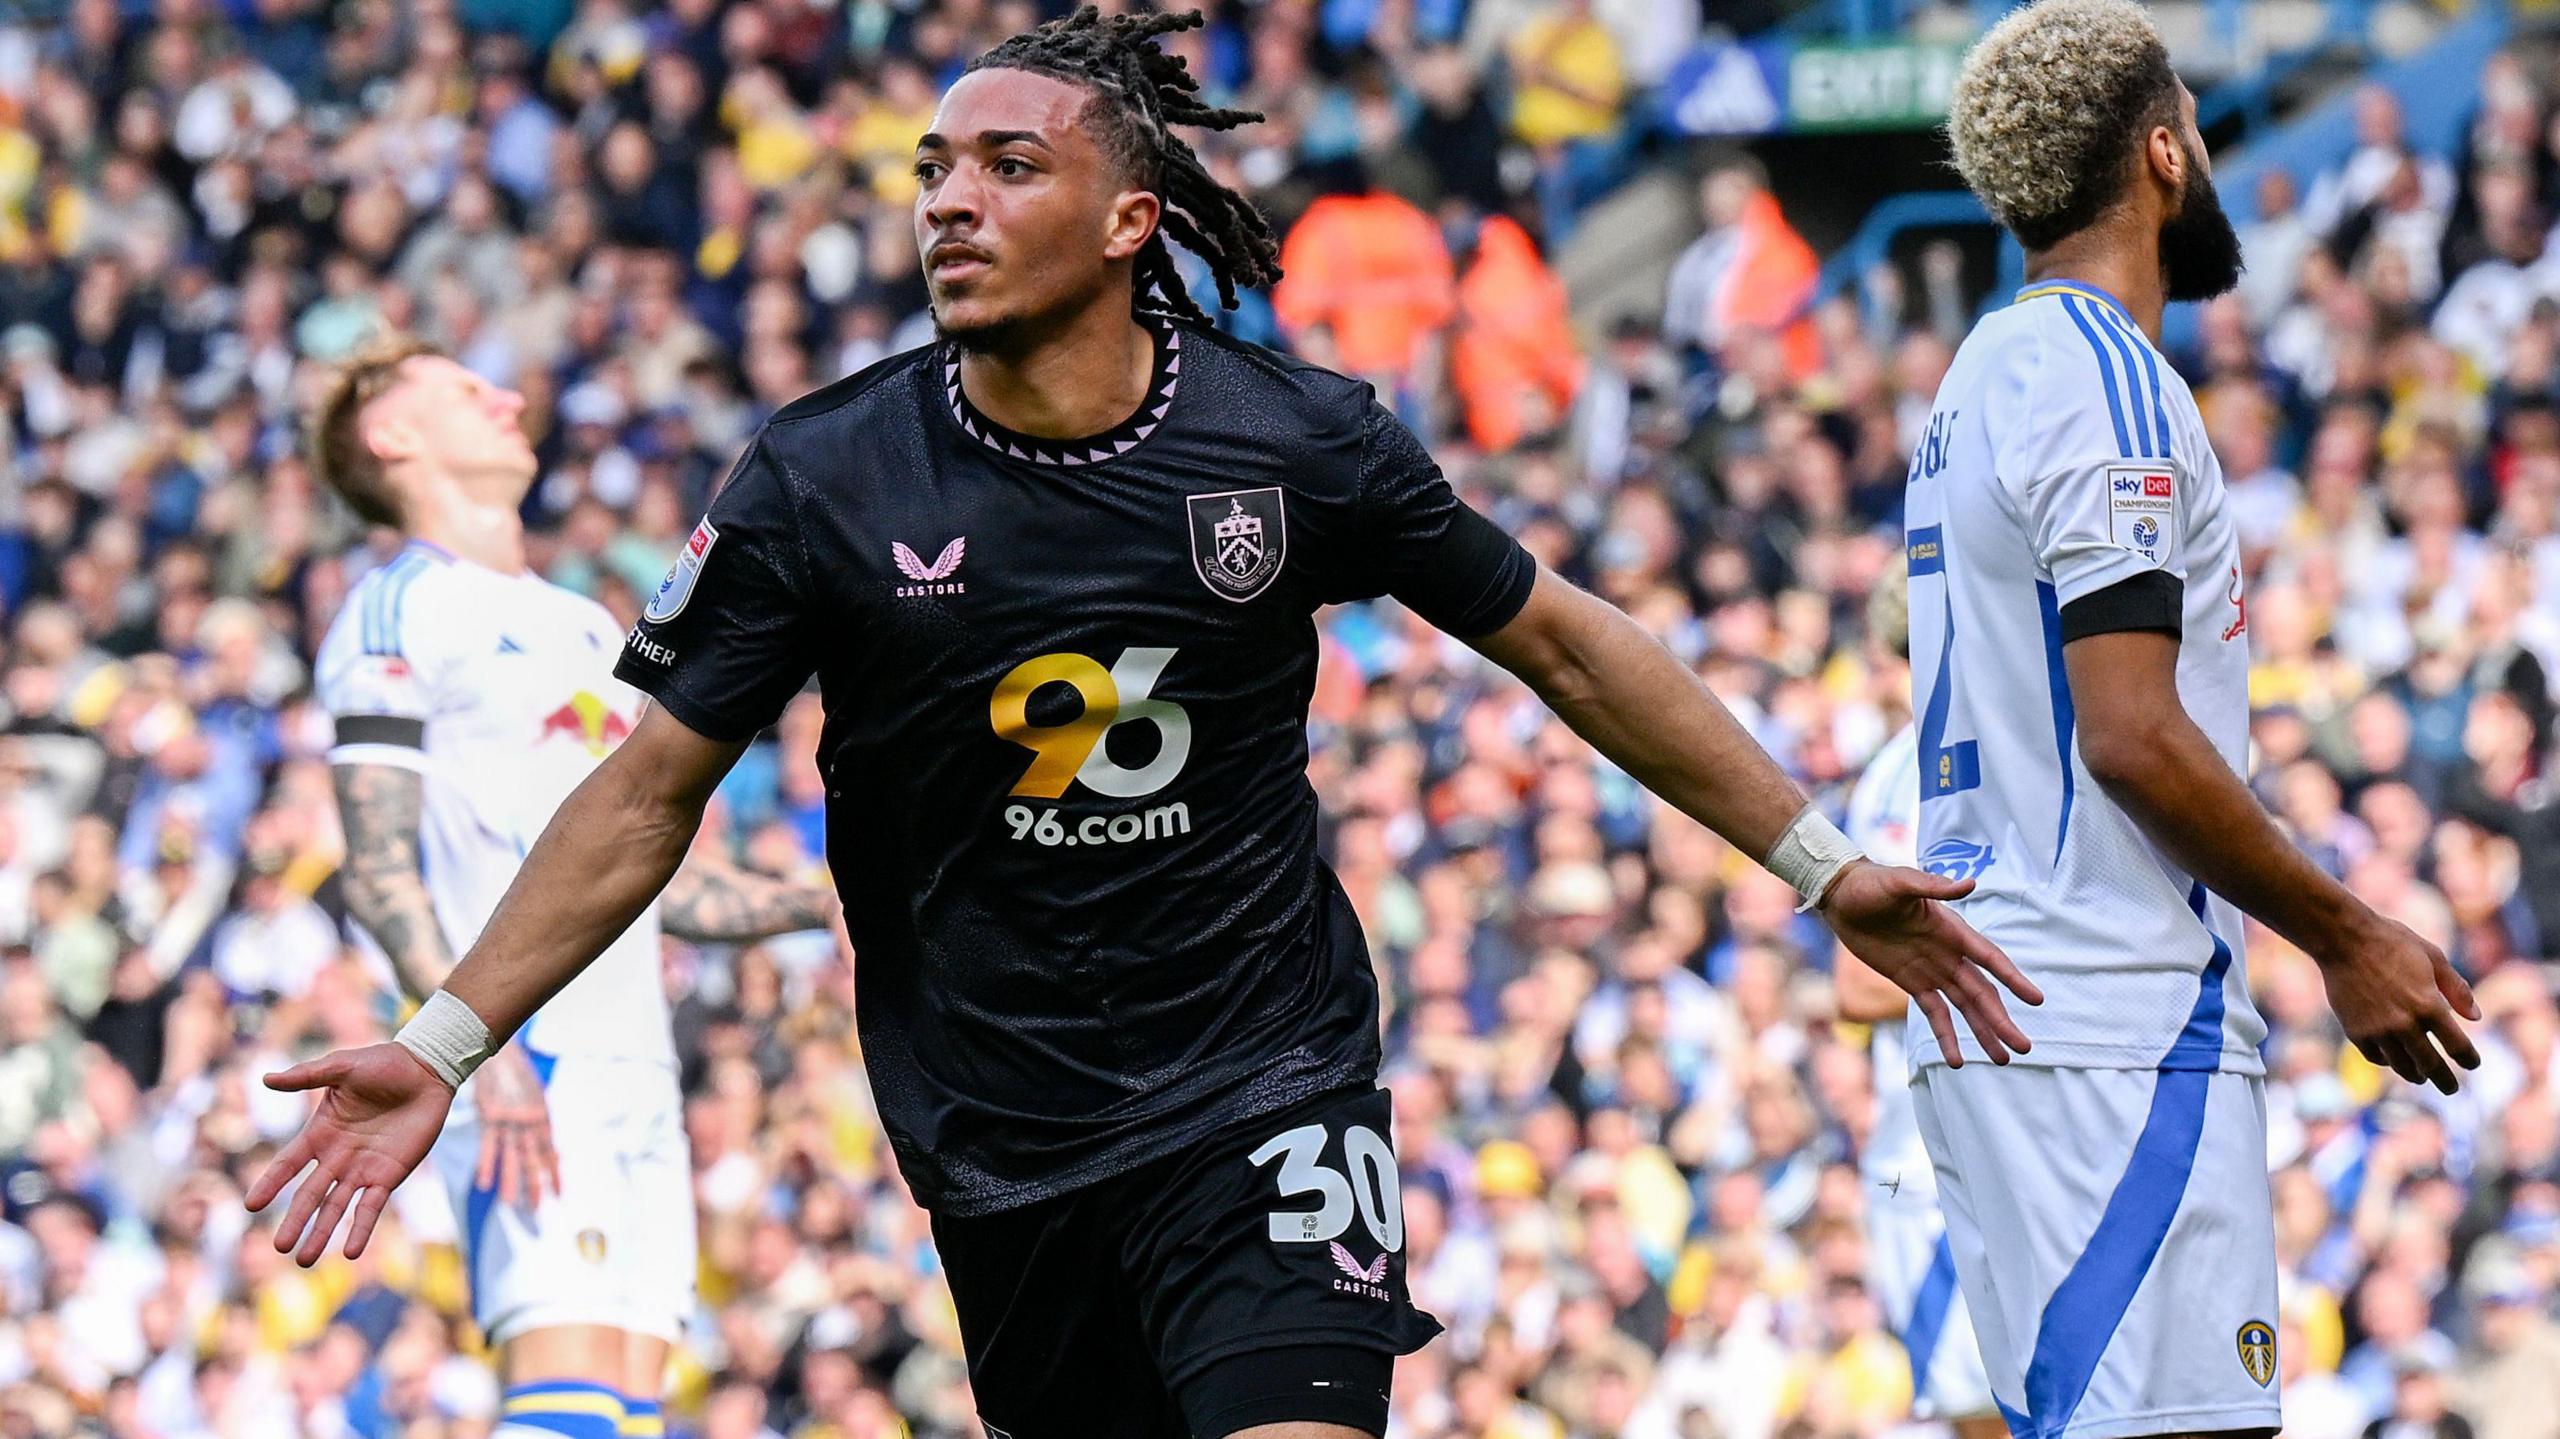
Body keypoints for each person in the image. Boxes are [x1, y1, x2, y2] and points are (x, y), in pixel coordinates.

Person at [248, 10, 2037, 1438]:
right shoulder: (819, 475)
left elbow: (1564, 646)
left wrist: (1818, 862)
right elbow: (648, 795)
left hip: (1267, 1079)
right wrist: (450, 1033)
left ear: (1126, 218)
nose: (946, 200)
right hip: (998, 1127)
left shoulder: (1295, 441)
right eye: (933, 168)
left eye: (1006, 167)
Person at [1913, 3, 2482, 1437]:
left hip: (2030, 1007)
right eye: (2203, 134)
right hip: (2105, 1013)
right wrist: (2350, 933)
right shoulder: (2107, 377)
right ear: (2164, 153)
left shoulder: (1976, 375)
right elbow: (2129, 730)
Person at [302, 337, 840, 1439]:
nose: (507, 396)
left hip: (634, 1057)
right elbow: (376, 862)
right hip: (524, 1056)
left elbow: (650, 868)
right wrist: (466, 1050)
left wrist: (815, 900)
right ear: (391, 435)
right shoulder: (397, 610)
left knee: (628, 1405)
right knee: (563, 1400)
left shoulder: (587, 624)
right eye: (464, 389)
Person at [1834, 568, 2002, 1439]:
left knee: (1987, 1397)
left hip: (1947, 1140)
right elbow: (1862, 979)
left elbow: (1857, 984)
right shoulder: (1912, 771)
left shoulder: (1909, 771)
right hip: (1946, 1127)